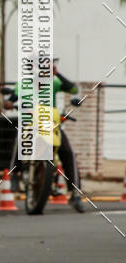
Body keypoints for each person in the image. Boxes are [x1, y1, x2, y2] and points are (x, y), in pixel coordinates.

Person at [5, 59, 84, 212]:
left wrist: (58, 74)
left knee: (68, 152)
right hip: (31, 123)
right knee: (20, 138)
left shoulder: (53, 83)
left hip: (50, 124)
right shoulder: (24, 85)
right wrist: (9, 103)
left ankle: (75, 193)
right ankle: (14, 174)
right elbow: (11, 98)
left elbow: (73, 90)